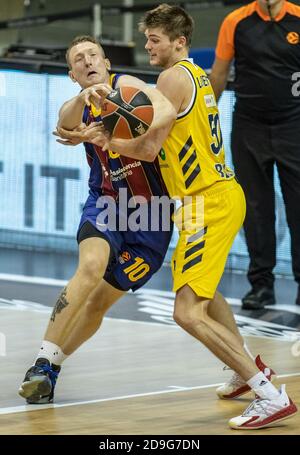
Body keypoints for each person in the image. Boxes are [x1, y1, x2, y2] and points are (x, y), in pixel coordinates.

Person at [57, 4, 297, 430]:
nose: (147, 46)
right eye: (147, 38)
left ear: (179, 42)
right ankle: (247, 372)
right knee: (204, 293)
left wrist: (102, 138)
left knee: (186, 312)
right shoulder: (197, 75)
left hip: (208, 200)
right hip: (205, 199)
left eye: (154, 39)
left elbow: (148, 149)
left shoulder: (171, 77)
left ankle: (268, 394)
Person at [18, 35, 175, 404]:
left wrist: (111, 132)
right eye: (78, 60)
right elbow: (63, 123)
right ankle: (41, 363)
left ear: (106, 62)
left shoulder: (129, 88)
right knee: (90, 266)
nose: (87, 61)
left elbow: (164, 110)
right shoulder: (79, 102)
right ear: (73, 74)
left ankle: (52, 370)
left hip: (152, 216)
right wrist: (82, 99)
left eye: (93, 55)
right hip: (106, 202)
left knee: (98, 303)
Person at [210, 0, 300, 310]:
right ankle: (261, 285)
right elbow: (219, 74)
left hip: (294, 126)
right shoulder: (236, 21)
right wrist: (204, 120)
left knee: (298, 209)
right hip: (249, 126)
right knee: (255, 210)